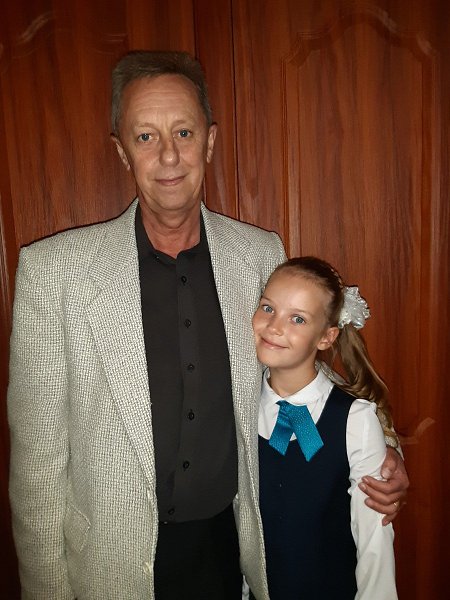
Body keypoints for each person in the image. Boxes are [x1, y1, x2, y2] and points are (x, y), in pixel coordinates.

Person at [7, 51, 407, 600]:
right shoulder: (54, 272)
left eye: (184, 132)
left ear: (210, 142)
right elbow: (37, 471)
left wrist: (381, 451)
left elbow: (300, 365)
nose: (169, 155)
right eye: (145, 137)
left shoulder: (258, 253)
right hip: (107, 570)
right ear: (122, 151)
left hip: (230, 559)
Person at [251, 256, 399, 599]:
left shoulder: (354, 419)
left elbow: (374, 539)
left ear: (327, 337)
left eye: (298, 319)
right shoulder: (241, 406)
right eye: (268, 308)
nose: (274, 327)